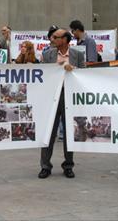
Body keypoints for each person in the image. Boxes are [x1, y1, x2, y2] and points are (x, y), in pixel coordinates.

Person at [39, 28, 85, 179]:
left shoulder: (77, 55)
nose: (52, 39)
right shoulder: (47, 54)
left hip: (69, 97)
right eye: (52, 37)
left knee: (69, 133)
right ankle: (45, 166)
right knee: (48, 133)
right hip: (51, 98)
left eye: (56, 37)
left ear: (65, 39)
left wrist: (73, 69)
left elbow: (84, 75)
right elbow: (42, 75)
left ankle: (68, 165)